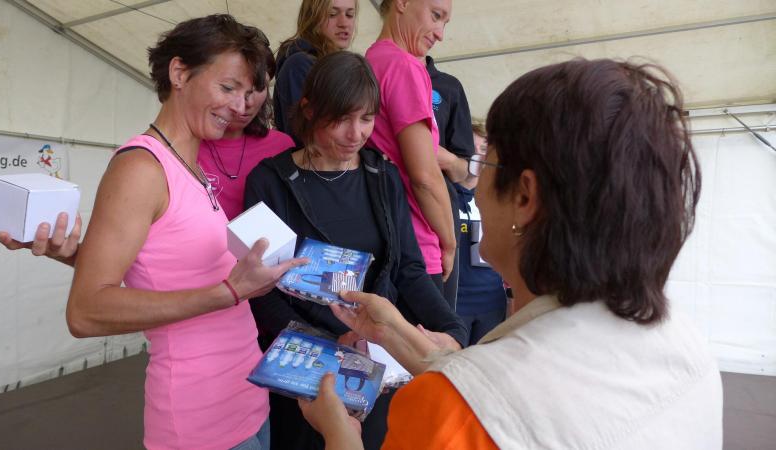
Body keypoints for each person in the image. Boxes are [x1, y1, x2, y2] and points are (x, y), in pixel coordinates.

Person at [297, 58, 723, 449]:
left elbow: (479, 402)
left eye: (486, 165)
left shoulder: (447, 412)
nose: (476, 184)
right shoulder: (689, 350)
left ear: (524, 197)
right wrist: (394, 330)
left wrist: (339, 433)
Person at [2, 16, 308, 450]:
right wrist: (230, 291)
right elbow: (86, 311)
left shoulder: (191, 167)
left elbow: (158, 268)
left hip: (245, 397)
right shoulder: (141, 168)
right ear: (179, 73)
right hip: (199, 420)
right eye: (227, 88)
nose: (240, 105)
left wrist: (75, 254)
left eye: (247, 93)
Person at [244, 50, 467, 450]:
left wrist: (452, 328)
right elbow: (261, 292)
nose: (356, 134)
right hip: (302, 372)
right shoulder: (270, 181)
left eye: (367, 118)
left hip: (375, 365)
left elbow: (408, 269)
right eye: (342, 119)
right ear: (310, 109)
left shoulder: (382, 176)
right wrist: (330, 342)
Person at [366, 0, 473, 298]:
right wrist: (449, 242)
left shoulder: (372, 59)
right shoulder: (404, 66)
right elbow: (424, 176)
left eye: (444, 23)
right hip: (419, 245)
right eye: (436, 16)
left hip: (386, 238)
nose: (440, 34)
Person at [197, 25, 294, 220]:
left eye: (259, 87)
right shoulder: (187, 146)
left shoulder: (282, 146)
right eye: (231, 87)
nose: (246, 102)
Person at [426, 54, 476, 308]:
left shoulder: (448, 86)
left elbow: (462, 171)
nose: (438, 35)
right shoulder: (378, 73)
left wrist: (443, 158)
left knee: (438, 306)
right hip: (386, 203)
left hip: (438, 208)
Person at [454, 121, 508, 345]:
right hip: (455, 304)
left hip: (492, 303)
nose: (478, 156)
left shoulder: (497, 197)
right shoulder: (443, 195)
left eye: (484, 149)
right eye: (471, 148)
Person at [274, 0, 358, 141]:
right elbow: (305, 138)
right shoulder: (299, 66)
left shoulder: (342, 65)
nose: (344, 23)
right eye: (332, 14)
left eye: (350, 15)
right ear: (312, 17)